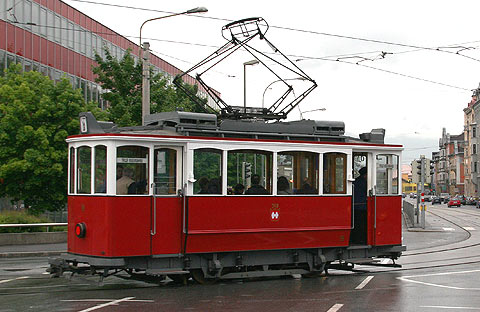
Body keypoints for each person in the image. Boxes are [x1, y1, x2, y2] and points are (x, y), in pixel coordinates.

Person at [351, 167, 368, 244]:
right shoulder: (363, 182)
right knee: (361, 225)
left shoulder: (356, 181)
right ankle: (361, 240)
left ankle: (356, 239)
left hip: (355, 206)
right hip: (362, 206)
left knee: (357, 224)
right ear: (365, 175)